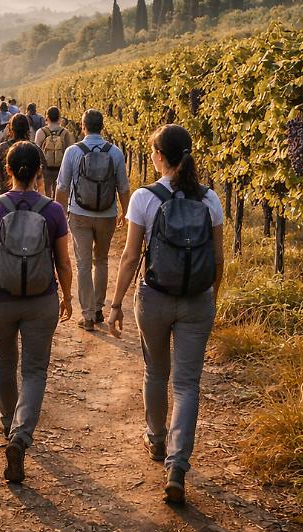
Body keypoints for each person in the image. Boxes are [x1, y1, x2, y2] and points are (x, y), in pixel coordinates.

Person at [109, 124, 224, 505]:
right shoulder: (211, 200)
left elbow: (129, 258)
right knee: (187, 384)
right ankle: (177, 465)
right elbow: (219, 259)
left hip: (155, 297)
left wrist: (116, 303)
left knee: (155, 371)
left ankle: (156, 441)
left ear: (159, 156)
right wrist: (210, 299)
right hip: (197, 300)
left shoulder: (144, 198)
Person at [0, 141, 73, 483]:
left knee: (4, 360)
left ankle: (7, 423)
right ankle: (21, 435)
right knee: (34, 371)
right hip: (41, 300)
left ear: (8, 170)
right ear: (40, 172)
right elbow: (63, 261)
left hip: (0, 299)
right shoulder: (54, 211)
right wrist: (68, 296)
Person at [55, 109, 130, 333]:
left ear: (83, 126)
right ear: (103, 126)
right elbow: (123, 188)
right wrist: (126, 214)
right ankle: (98, 309)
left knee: (83, 263)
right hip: (107, 214)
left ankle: (87, 315)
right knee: (102, 260)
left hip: (79, 214)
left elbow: (62, 187)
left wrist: (58, 215)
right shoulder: (115, 152)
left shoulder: (72, 152)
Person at [0, 113, 45, 197]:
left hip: (4, 197)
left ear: (11, 129)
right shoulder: (35, 149)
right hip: (30, 198)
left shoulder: (2, 148)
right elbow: (41, 182)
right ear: (28, 128)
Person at [34, 106, 73, 198]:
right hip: (60, 168)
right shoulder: (65, 132)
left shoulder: (41, 132)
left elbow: (36, 151)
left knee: (46, 192)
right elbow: (69, 151)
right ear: (59, 117)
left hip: (45, 168)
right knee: (59, 191)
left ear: (47, 117)